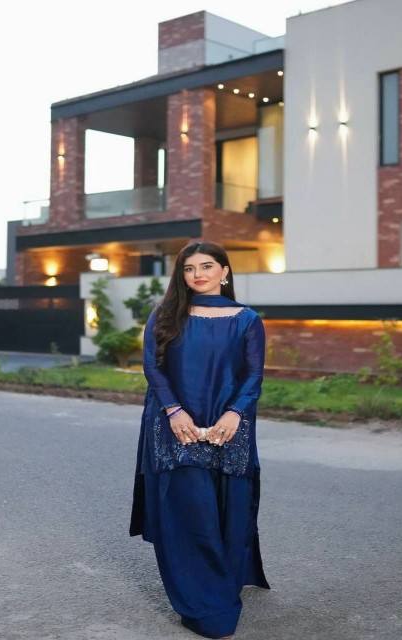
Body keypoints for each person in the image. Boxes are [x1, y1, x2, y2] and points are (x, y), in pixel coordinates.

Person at [129, 240, 270, 639]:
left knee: (228, 510)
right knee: (190, 513)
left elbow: (253, 375)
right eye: (189, 269)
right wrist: (175, 412)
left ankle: (225, 579)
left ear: (225, 271)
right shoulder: (165, 315)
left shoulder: (247, 320)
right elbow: (153, 368)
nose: (198, 275)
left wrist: (234, 413)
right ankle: (204, 604)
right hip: (175, 425)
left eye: (207, 266)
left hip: (229, 425)